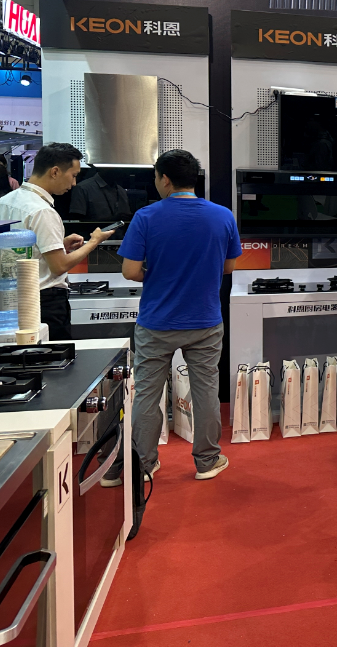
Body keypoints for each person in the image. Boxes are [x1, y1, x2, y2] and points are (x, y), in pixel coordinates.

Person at [118, 150, 240, 481]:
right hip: (206, 321)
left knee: (147, 394)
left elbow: (130, 271)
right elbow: (228, 266)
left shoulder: (145, 216)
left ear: (165, 179)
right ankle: (207, 460)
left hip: (156, 322)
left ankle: (143, 465)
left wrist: (157, 273)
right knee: (206, 391)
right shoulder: (223, 216)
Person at [0, 143, 114, 339]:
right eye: (73, 175)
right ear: (55, 172)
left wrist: (59, 245)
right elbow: (59, 267)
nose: (74, 183)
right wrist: (94, 242)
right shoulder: (42, 211)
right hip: (46, 302)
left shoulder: (4, 202)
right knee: (54, 356)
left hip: (12, 299)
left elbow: (18, 251)